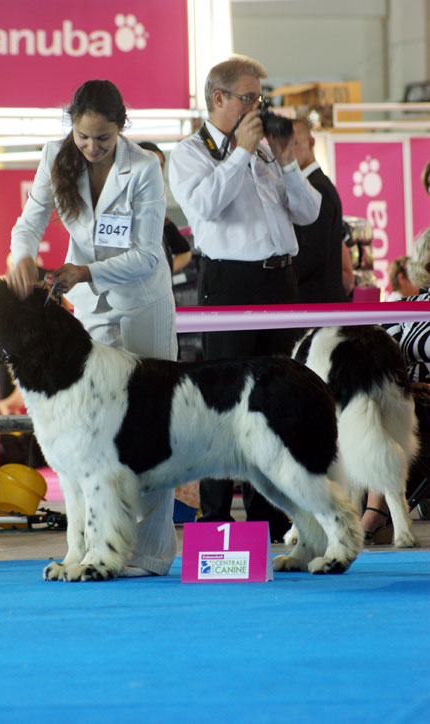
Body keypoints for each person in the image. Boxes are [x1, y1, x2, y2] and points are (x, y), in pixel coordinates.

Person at [8, 79, 177, 577]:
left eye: (102, 138)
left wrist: (86, 271)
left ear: (121, 128)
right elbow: (29, 223)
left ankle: (148, 555)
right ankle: (89, 549)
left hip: (144, 306)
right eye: (83, 137)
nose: (91, 147)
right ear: (72, 127)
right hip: (91, 313)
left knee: (153, 430)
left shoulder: (145, 168)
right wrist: (23, 256)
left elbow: (148, 256)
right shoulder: (53, 157)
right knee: (92, 438)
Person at [169, 55, 321, 539]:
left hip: (281, 281)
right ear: (220, 98)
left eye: (260, 97)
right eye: (249, 97)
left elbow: (309, 213)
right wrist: (240, 152)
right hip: (230, 282)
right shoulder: (190, 152)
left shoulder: (264, 153)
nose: (258, 105)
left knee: (278, 399)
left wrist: (288, 159)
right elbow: (205, 208)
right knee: (223, 400)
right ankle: (214, 519)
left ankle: (270, 516)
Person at [364, 227, 430, 540]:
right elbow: (379, 357)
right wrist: (404, 383)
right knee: (374, 402)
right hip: (406, 398)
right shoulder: (409, 306)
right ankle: (372, 511)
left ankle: (375, 513)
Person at [291, 118, 348, 303]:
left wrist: (279, 276)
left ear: (311, 142)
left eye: (295, 143)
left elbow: (314, 253)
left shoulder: (317, 188)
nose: (288, 151)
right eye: (283, 145)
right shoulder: (315, 185)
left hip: (316, 302)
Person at [138, 142, 192, 276]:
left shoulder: (161, 217)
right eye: (150, 164)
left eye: (160, 165)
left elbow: (185, 252)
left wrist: (162, 275)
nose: (156, 170)